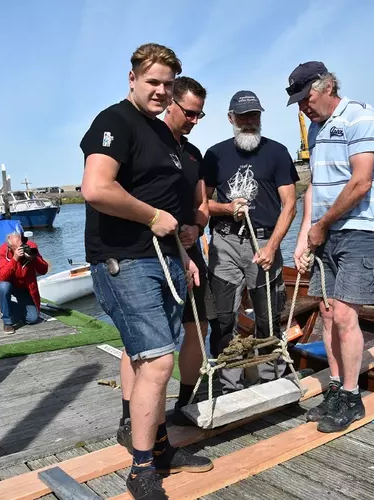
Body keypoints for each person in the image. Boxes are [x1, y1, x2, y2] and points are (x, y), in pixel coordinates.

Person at [80, 43, 212, 499]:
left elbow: (176, 204)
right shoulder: (114, 121)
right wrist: (151, 216)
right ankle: (141, 469)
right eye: (152, 81)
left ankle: (159, 448)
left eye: (167, 84)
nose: (160, 91)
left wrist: (185, 255)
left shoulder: (161, 133)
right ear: (132, 78)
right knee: (157, 360)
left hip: (166, 259)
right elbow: (96, 188)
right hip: (126, 259)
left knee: (152, 357)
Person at [287, 61, 374, 433]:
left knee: (347, 316)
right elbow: (315, 188)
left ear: (328, 86)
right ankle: (336, 389)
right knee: (329, 313)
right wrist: (305, 235)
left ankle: (352, 397)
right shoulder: (316, 130)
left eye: (307, 97)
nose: (304, 106)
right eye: (299, 100)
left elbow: (361, 182)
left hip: (362, 230)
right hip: (327, 232)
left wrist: (321, 226)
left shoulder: (361, 117)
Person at [202, 90, 299, 395]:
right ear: (231, 118)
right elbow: (202, 205)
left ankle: (275, 380)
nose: (249, 122)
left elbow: (290, 204)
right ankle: (230, 386)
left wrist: (272, 247)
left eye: (254, 115)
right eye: (242, 116)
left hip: (264, 243)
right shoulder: (214, 155)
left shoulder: (278, 152)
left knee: (269, 316)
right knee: (223, 318)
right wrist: (227, 208)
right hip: (225, 243)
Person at [161, 76, 212, 427]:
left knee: (199, 328)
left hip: (191, 252)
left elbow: (203, 204)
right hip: (155, 252)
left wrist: (197, 226)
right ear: (170, 103)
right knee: (153, 338)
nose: (194, 121)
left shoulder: (193, 154)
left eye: (200, 116)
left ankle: (184, 403)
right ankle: (130, 417)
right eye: (190, 113)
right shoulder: (149, 141)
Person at [0, 231, 48, 334]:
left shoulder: (31, 247)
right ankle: (7, 322)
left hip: (24, 286)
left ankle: (10, 309)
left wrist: (34, 259)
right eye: (18, 247)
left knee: (32, 319)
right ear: (10, 247)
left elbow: (44, 270)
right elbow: (3, 276)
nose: (22, 248)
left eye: (22, 245)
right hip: (8, 283)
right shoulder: (3, 250)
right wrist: (15, 259)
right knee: (4, 286)